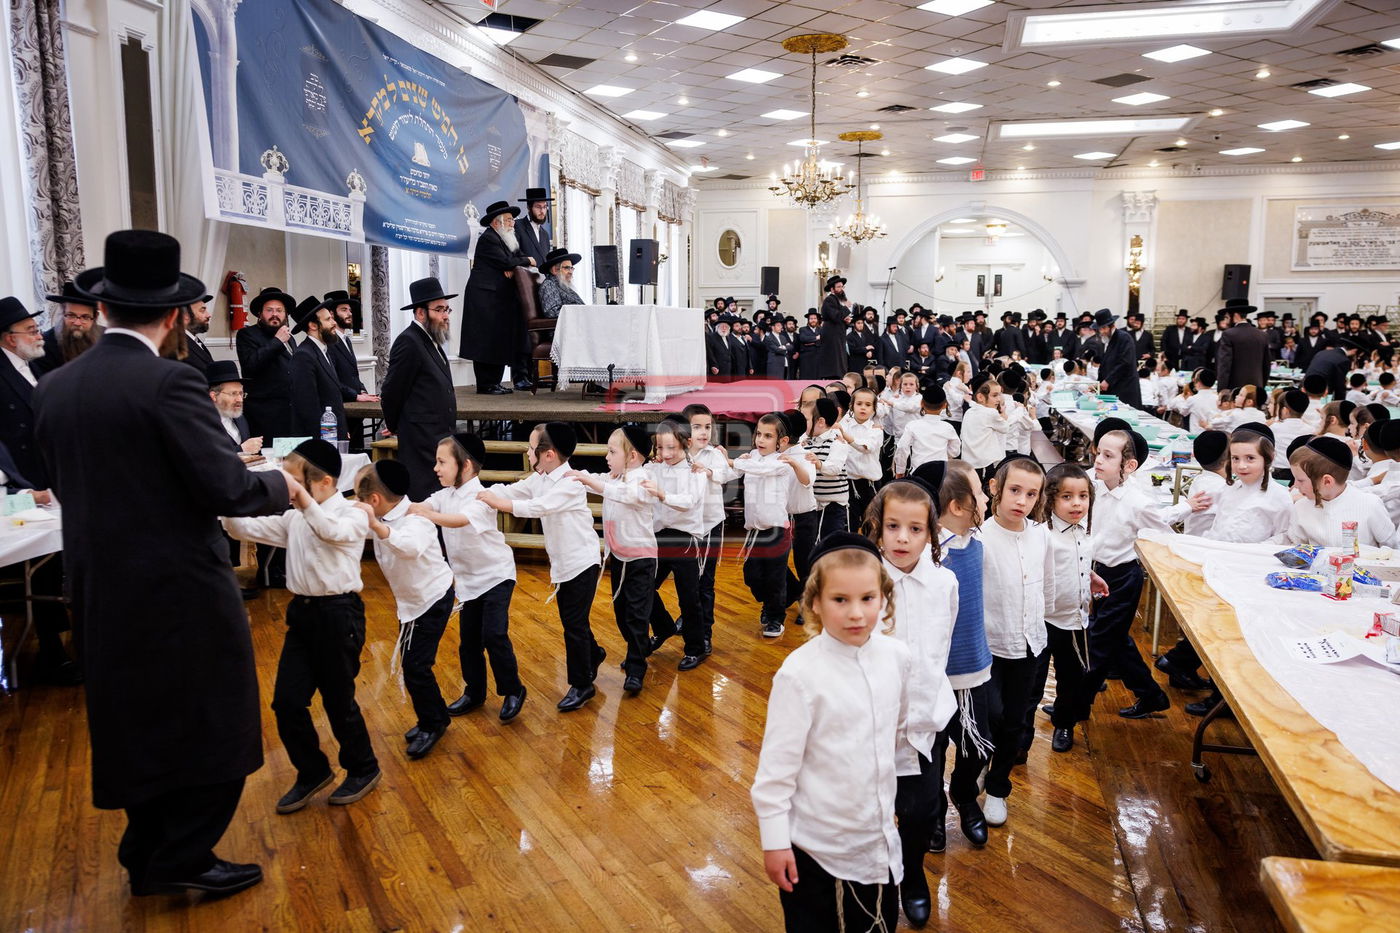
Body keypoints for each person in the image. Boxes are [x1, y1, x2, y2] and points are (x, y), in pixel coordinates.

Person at [33, 229, 290, 897]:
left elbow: (57, 476)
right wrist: (285, 483)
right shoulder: (171, 382)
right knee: (216, 720)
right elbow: (228, 487)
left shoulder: (56, 387)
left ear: (106, 306)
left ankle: (147, 848)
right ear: (174, 314)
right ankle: (179, 856)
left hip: (96, 585)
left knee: (135, 720)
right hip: (178, 589)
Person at [751, 533, 909, 933]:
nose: (856, 613)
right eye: (841, 600)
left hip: (876, 838)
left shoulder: (897, 658)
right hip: (813, 845)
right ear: (816, 603)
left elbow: (895, 735)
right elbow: (775, 774)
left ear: (884, 599)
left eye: (867, 598)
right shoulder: (800, 675)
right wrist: (774, 841)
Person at [223, 439, 381, 814]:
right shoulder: (295, 517)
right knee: (287, 703)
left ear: (324, 482)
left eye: (295, 481)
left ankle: (364, 768)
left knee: (338, 701)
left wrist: (301, 499)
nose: (289, 489)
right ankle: (313, 771)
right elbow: (240, 528)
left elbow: (332, 532)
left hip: (340, 616)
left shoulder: (353, 513)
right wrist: (225, 498)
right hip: (303, 616)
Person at [863, 479, 956, 928]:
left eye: (915, 529)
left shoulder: (944, 582)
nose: (903, 538)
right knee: (875, 811)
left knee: (920, 811)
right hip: (871, 725)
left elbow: (943, 644)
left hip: (925, 720)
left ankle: (913, 875)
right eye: (893, 527)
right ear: (877, 528)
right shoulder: (863, 581)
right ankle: (879, 881)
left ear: (930, 534)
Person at [477, 422, 606, 712]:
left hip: (582, 562)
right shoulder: (541, 478)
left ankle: (582, 684)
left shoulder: (571, 483)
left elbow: (539, 507)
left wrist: (500, 504)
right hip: (563, 563)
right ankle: (593, 653)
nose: (527, 451)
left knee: (573, 624)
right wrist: (481, 492)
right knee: (575, 621)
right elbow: (516, 491)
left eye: (532, 447)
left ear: (548, 454)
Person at [410, 433, 526, 722]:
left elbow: (459, 520)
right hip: (469, 581)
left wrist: (425, 515)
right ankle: (475, 692)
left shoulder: (481, 497)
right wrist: (397, 507)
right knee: (469, 642)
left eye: (441, 462)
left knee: (494, 634)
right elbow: (424, 506)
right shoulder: (444, 495)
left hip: (497, 575)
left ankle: (513, 689)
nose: (435, 468)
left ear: (465, 466)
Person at [353, 459, 457, 760]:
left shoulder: (417, 520)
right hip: (411, 603)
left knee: (416, 667)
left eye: (360, 498)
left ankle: (433, 723)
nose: (356, 503)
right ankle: (435, 716)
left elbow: (408, 547)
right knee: (413, 666)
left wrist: (374, 526)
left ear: (374, 501)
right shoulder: (384, 514)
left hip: (432, 599)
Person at [979, 457, 1052, 828]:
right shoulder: (979, 538)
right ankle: (978, 765)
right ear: (995, 488)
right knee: (987, 715)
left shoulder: (1040, 534)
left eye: (1030, 494)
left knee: (1015, 721)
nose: (1021, 500)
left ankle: (996, 786)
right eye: (1014, 490)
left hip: (1031, 645)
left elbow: (1050, 577)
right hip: (989, 645)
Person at [1083, 430, 1173, 719]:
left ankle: (1072, 712)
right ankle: (1152, 695)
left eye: (1108, 456)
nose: (1098, 460)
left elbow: (1164, 534)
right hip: (1091, 570)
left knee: (1097, 644)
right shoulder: (1090, 484)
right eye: (1098, 453)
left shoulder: (1138, 502)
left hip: (1122, 578)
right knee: (1115, 641)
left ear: (1129, 465)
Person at [929, 460, 994, 849]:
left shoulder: (981, 545)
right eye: (980, 493)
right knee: (932, 751)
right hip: (935, 674)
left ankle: (965, 794)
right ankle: (933, 808)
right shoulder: (929, 553)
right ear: (957, 505)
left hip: (973, 667)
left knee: (977, 745)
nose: (987, 499)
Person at [568, 426, 659, 695]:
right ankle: (640, 648)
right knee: (621, 613)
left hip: (641, 559)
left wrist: (591, 483)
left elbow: (625, 495)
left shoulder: (641, 479)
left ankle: (636, 667)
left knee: (636, 616)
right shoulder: (615, 477)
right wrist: (576, 475)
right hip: (619, 558)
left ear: (632, 457)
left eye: (611, 451)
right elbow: (602, 480)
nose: (606, 456)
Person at [1034, 464, 1107, 752]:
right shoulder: (1042, 535)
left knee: (1071, 678)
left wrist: (1090, 576)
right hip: (1041, 620)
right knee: (1033, 682)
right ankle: (1019, 732)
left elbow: (1076, 565)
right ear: (1050, 499)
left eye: (1083, 496)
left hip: (1074, 620)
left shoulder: (1084, 533)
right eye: (1067, 496)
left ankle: (1064, 723)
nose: (1077, 503)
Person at [381, 277, 458, 501]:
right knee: (423, 498)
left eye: (447, 309)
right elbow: (392, 391)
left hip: (437, 437)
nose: (445, 316)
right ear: (420, 313)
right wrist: (394, 425)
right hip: (420, 440)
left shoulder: (431, 340)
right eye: (439, 310)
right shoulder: (409, 341)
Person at [643, 419, 709, 669]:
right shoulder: (656, 468)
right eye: (661, 448)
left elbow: (688, 501)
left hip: (684, 540)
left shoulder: (697, 472)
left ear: (687, 444)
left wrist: (661, 494)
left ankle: (696, 648)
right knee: (644, 588)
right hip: (658, 537)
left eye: (672, 448)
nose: (666, 454)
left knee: (688, 598)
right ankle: (663, 628)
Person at [734, 413, 801, 638]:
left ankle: (774, 617)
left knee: (774, 577)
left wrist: (737, 462)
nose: (761, 440)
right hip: (754, 530)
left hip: (777, 530)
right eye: (759, 434)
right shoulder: (751, 457)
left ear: (782, 442)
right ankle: (792, 592)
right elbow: (736, 471)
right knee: (751, 575)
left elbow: (761, 469)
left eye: (768, 436)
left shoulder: (782, 462)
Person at [461, 200, 530, 394]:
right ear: (496, 222)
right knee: (485, 342)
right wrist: (516, 264)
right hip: (484, 298)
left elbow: (514, 259)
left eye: (512, 220)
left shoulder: (507, 239)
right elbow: (506, 261)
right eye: (508, 220)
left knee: (497, 341)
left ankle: (495, 382)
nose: (512, 223)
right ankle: (486, 384)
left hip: (498, 300)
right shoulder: (489, 238)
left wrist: (514, 266)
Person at [1283, 436, 1395, 546]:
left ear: (1327, 481)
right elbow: (1295, 547)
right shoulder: (1301, 507)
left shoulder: (1370, 505)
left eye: (1300, 480)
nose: (1295, 485)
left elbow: (1392, 549)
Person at [0, 296, 52, 489]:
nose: (40, 336)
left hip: (47, 471)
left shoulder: (36, 365)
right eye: (32, 332)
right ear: (11, 339)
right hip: (22, 481)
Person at [236, 286, 298, 440]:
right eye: (269, 310)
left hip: (290, 413)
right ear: (260, 313)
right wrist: (277, 341)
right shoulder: (247, 335)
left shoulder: (290, 338)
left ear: (285, 314)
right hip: (264, 415)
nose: (275, 314)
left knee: (291, 461)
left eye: (279, 310)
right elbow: (250, 365)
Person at [288, 297, 347, 441]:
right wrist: (325, 440)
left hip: (332, 435)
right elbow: (308, 406)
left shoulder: (324, 350)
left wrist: (343, 429)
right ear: (313, 325)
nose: (334, 323)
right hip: (320, 439)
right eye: (328, 319)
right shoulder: (304, 355)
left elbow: (333, 396)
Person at [318, 290, 377, 404]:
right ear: (331, 314)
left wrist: (362, 391)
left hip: (353, 403)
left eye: (349, 310)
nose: (349, 313)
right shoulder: (328, 341)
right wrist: (356, 396)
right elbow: (332, 379)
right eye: (344, 310)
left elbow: (353, 374)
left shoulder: (347, 340)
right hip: (341, 405)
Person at [35, 280, 101, 376]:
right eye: (71, 315)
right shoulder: (45, 346)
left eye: (85, 317)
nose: (77, 323)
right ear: (62, 313)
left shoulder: (105, 338)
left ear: (95, 317)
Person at [894, 385, 959, 476]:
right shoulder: (948, 428)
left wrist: (900, 471)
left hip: (918, 473)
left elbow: (902, 448)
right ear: (945, 405)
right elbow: (955, 451)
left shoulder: (912, 426)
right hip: (941, 474)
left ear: (921, 403)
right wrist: (943, 454)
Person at [1216, 304, 1269, 399]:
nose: (1226, 321)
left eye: (1227, 317)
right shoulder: (1262, 335)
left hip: (1235, 389)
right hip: (1256, 387)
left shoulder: (1229, 334)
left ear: (1235, 315)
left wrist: (1221, 390)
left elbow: (1225, 365)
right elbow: (1266, 366)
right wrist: (1261, 386)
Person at [1093, 309, 1142, 407]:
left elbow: (1125, 363)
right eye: (1100, 329)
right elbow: (1106, 365)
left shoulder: (1124, 338)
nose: (1101, 332)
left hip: (1124, 390)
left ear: (1112, 326)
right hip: (1112, 389)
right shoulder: (1107, 340)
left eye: (1104, 328)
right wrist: (1097, 385)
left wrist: (1108, 380)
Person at [816, 275, 850, 379]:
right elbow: (835, 316)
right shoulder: (829, 300)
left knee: (840, 359)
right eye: (838, 287)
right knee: (834, 360)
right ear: (832, 289)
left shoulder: (837, 300)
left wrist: (846, 321)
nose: (841, 289)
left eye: (842, 287)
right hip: (831, 334)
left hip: (838, 334)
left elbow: (839, 318)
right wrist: (846, 307)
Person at [538, 247, 584, 319]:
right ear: (554, 270)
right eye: (567, 268)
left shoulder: (562, 285)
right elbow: (552, 312)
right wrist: (579, 313)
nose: (570, 272)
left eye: (571, 268)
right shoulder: (549, 285)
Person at [516, 187, 553, 270]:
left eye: (544, 207)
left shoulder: (545, 234)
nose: (542, 211)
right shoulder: (517, 226)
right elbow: (513, 256)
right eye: (538, 207)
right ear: (529, 208)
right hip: (523, 280)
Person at [180, 293, 216, 375]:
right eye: (202, 310)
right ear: (185, 315)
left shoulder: (192, 339)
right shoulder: (177, 344)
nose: (208, 315)